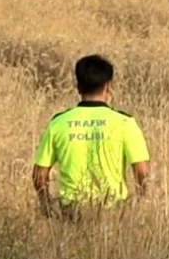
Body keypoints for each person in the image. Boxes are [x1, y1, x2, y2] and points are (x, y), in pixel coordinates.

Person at [33, 55, 152, 218]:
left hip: (71, 213)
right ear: (108, 86)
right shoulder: (125, 123)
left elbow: (39, 175)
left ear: (78, 87)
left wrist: (46, 207)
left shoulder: (58, 123)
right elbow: (142, 172)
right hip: (113, 214)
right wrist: (138, 202)